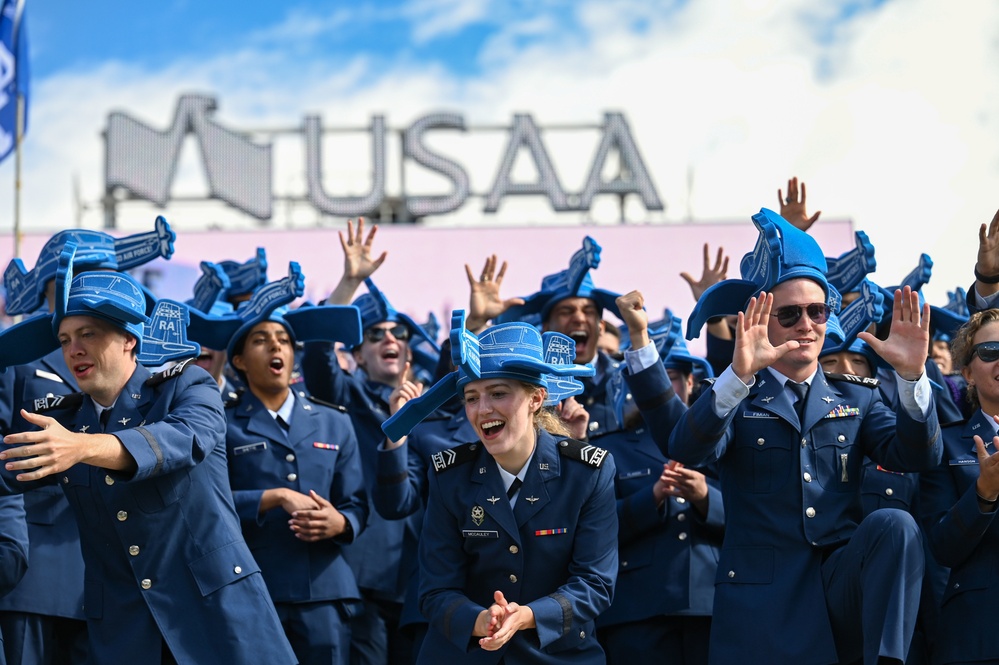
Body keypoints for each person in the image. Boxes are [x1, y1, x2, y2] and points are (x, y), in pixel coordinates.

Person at [0, 243, 296, 665]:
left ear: (128, 339)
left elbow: (184, 440)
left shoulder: (187, 386)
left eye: (89, 334)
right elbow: (7, 469)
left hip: (218, 620)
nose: (73, 350)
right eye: (65, 339)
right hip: (125, 635)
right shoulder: (63, 421)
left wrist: (81, 446)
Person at [671, 208, 941, 665]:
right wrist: (736, 375)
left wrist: (914, 377)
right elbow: (687, 449)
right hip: (763, 604)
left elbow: (920, 455)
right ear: (763, 323)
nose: (806, 324)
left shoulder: (859, 397)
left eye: (817, 311)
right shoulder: (737, 392)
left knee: (895, 524)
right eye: (790, 313)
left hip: (839, 591)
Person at [382, 312, 617, 664]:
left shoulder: (586, 471)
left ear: (537, 398)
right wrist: (480, 621)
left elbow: (595, 583)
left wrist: (529, 616)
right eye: (472, 397)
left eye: (499, 393)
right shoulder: (450, 475)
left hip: (556, 655)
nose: (483, 409)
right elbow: (435, 590)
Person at [0, 220, 177, 665]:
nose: (88, 286)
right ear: (50, 287)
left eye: (101, 275)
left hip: (118, 571)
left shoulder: (151, 374)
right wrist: (14, 549)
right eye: (77, 275)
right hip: (38, 567)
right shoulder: (15, 362)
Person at [217, 269, 368, 665]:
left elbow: (357, 503)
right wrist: (272, 497)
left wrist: (342, 523)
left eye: (283, 340)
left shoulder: (334, 421)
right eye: (261, 340)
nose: (275, 348)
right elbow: (208, 503)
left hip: (325, 595)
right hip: (252, 589)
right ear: (238, 361)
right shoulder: (221, 423)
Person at [919, 308, 999, 665]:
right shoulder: (946, 446)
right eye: (990, 352)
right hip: (978, 637)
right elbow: (941, 548)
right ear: (966, 372)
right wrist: (983, 493)